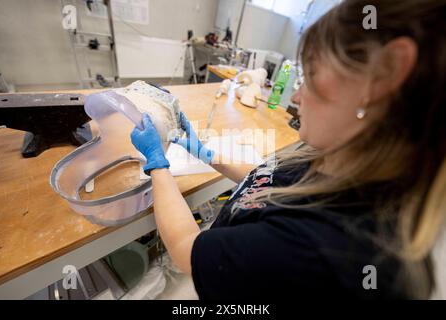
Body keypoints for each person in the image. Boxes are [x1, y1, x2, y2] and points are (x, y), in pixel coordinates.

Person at [130, 0, 446, 300]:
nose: (295, 98)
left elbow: (187, 248)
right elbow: (270, 181)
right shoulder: (338, 156)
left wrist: (157, 165)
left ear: (383, 76)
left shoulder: (320, 250)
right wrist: (206, 154)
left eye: (310, 77)